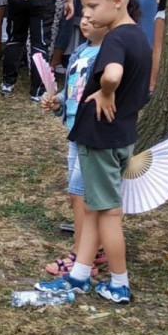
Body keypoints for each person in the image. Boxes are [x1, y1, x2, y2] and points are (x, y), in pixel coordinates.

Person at [37, 0, 151, 305]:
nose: (86, 14)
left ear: (118, 2)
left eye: (92, 8)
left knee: (108, 214)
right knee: (91, 210)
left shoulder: (116, 38)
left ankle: (119, 284)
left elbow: (113, 74)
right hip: (121, 136)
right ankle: (79, 275)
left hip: (100, 139)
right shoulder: (138, 37)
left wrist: (104, 91)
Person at [41, 15, 110, 278]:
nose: (85, 21)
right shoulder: (81, 50)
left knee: (80, 196)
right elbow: (73, 88)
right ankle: (96, 246)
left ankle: (83, 257)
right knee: (76, 194)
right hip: (75, 131)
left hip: (92, 133)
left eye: (94, 14)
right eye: (84, 15)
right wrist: (57, 101)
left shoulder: (109, 54)